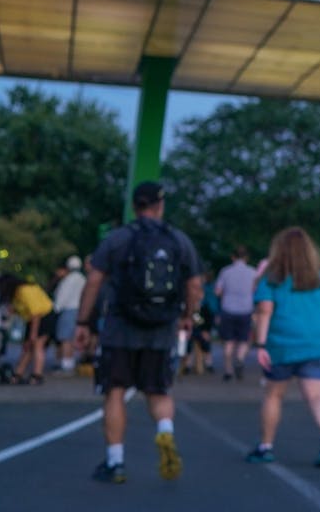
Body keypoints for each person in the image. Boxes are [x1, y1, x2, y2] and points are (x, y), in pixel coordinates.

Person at [74, 181, 203, 484]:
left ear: (135, 206)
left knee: (115, 391)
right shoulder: (179, 240)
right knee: (159, 390)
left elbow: (94, 281)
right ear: (160, 205)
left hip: (121, 327)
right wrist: (188, 316)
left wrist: (83, 323)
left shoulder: (118, 239)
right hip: (161, 328)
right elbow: (195, 285)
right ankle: (165, 431)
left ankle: (115, 462)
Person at [245, 226, 320, 468]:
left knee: (274, 394)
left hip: (282, 343)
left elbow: (265, 310)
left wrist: (261, 344)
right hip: (317, 341)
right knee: (317, 395)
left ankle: (265, 447)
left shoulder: (272, 277)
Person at [0, 273, 54, 384]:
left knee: (37, 345)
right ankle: (18, 374)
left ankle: (37, 375)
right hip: (33, 319)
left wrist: (33, 334)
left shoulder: (25, 290)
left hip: (44, 317)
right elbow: (17, 309)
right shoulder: (18, 293)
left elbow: (36, 313)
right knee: (27, 347)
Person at [214, 245, 257, 382]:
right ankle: (239, 358)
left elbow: (218, 291)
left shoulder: (225, 272)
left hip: (228, 309)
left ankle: (228, 370)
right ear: (246, 258)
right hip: (246, 309)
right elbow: (256, 292)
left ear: (233, 257)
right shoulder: (253, 272)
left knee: (228, 341)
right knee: (244, 339)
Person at [51, 256, 86, 375]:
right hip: (78, 310)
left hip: (68, 310)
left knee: (65, 338)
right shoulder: (82, 278)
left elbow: (62, 296)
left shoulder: (69, 279)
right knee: (71, 338)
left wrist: (55, 308)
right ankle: (69, 362)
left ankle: (66, 365)